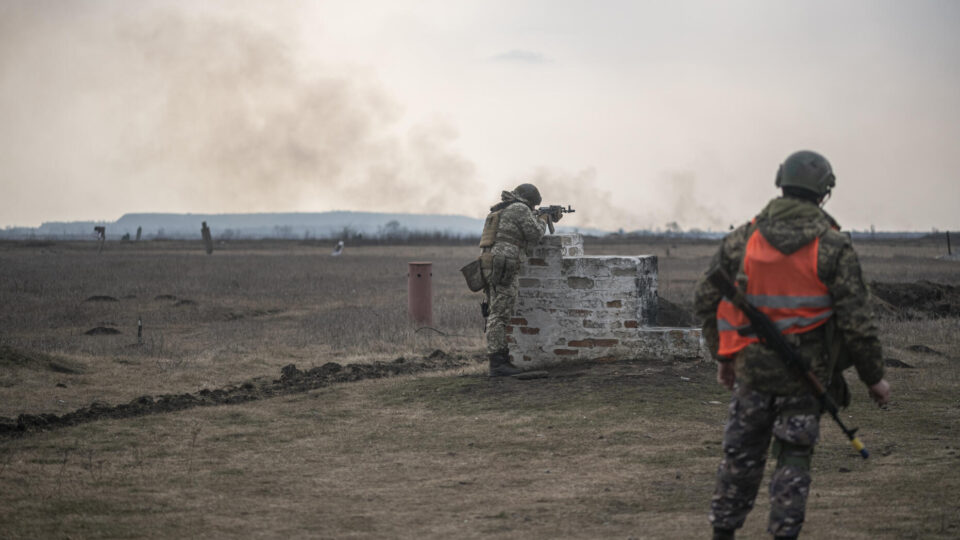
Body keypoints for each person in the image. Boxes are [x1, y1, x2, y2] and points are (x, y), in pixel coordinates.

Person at [693, 150, 891, 540]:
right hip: (806, 380)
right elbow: (858, 324)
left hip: (752, 375)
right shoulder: (833, 246)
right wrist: (874, 379)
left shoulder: (744, 238)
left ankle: (722, 533)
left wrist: (725, 356)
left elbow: (704, 300)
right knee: (794, 461)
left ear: (780, 183)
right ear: (824, 192)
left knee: (740, 457)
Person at [480, 183, 559, 376]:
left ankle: (499, 361)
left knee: (495, 312)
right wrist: (544, 218)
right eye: (533, 206)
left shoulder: (504, 207)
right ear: (530, 201)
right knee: (499, 314)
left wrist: (541, 215)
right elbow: (535, 234)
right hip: (504, 265)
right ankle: (498, 364)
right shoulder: (519, 208)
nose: (533, 208)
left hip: (491, 263)